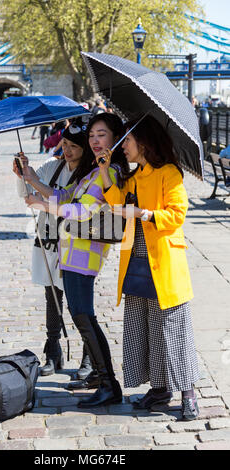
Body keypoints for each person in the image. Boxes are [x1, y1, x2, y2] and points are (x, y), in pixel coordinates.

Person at [19, 113, 130, 407]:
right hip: (71, 253)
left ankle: (108, 383)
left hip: (84, 255)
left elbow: (82, 212)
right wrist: (31, 179)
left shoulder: (111, 172)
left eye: (101, 135)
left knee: (84, 316)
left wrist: (43, 204)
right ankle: (100, 377)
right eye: (92, 135)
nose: (95, 140)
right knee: (82, 316)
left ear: (115, 138)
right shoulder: (94, 169)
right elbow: (66, 195)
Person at [98, 115, 200, 421]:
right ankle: (159, 389)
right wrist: (104, 171)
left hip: (164, 265)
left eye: (126, 140)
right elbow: (115, 202)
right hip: (136, 263)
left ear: (143, 142)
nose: (123, 146)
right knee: (145, 330)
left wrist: (144, 213)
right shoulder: (134, 176)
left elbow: (177, 215)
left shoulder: (168, 173)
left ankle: (189, 393)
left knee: (173, 331)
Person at [13, 118, 93, 380]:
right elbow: (27, 197)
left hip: (75, 244)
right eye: (65, 144)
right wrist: (22, 175)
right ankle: (53, 351)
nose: (67, 150)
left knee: (79, 303)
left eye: (74, 146)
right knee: (52, 298)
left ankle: (89, 355)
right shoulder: (52, 167)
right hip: (48, 240)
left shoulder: (89, 175)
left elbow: (63, 202)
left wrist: (35, 185)